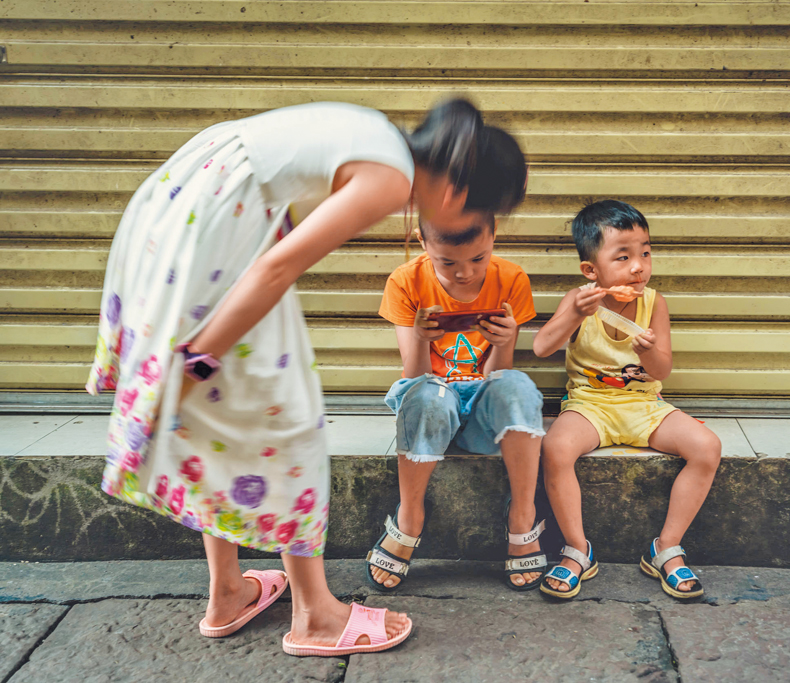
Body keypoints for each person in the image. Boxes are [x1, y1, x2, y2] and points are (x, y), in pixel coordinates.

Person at [85, 98, 527, 655]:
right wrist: (199, 360)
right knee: (288, 420)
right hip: (222, 241)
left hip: (183, 212)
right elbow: (277, 267)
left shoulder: (381, 135)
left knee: (224, 419)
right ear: (460, 195)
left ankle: (228, 592)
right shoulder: (391, 178)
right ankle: (316, 616)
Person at [532, 200, 721, 600]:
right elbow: (541, 346)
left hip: (644, 407)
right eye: (624, 256)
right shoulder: (579, 298)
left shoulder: (655, 304)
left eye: (646, 253)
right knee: (555, 448)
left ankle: (666, 548)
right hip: (589, 406)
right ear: (591, 270)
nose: (639, 266)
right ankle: (577, 551)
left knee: (707, 447)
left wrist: (649, 351)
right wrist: (574, 315)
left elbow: (662, 370)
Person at [366, 214, 547, 593]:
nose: (464, 273)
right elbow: (413, 376)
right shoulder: (406, 280)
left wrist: (502, 341)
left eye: (478, 259)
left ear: (494, 237)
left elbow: (501, 379)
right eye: (447, 262)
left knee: (518, 384)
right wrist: (418, 337)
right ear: (422, 242)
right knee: (428, 393)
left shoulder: (511, 279)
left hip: (485, 416)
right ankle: (410, 516)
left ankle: (522, 515)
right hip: (432, 413)